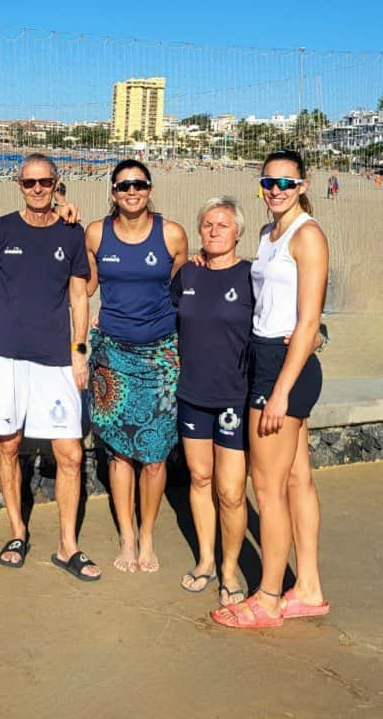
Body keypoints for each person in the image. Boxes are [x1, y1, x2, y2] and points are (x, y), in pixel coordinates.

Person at [212, 148, 330, 628]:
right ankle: (308, 588)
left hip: (284, 368)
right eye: (268, 182)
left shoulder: (309, 237)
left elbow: (308, 319)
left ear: (302, 185)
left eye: (286, 182)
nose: (276, 190)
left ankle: (266, 598)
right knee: (297, 479)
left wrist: (280, 391)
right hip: (265, 357)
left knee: (268, 488)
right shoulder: (266, 235)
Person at [0, 153, 101, 581]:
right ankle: (17, 531)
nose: (38, 189)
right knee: (8, 445)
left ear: (56, 182)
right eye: (30, 183)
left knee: (70, 451)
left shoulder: (71, 232)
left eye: (45, 181)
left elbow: (81, 296)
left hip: (56, 359)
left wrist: (79, 350)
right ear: (19, 185)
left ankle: (68, 545)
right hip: (5, 355)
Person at [86, 159, 188, 573]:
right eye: (124, 186)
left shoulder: (172, 234)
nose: (132, 192)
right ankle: (127, 538)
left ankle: (148, 536)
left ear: (149, 189)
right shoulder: (96, 233)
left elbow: (186, 292)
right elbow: (85, 288)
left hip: (161, 357)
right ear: (112, 191)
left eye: (139, 185)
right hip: (112, 356)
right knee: (120, 456)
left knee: (156, 456)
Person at [171, 197, 252, 604]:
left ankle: (230, 570)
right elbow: (165, 317)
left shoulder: (253, 276)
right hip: (192, 395)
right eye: (207, 225)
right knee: (200, 479)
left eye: (222, 225)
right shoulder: (187, 273)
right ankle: (205, 559)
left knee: (231, 492)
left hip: (235, 399)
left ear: (238, 231)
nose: (214, 230)